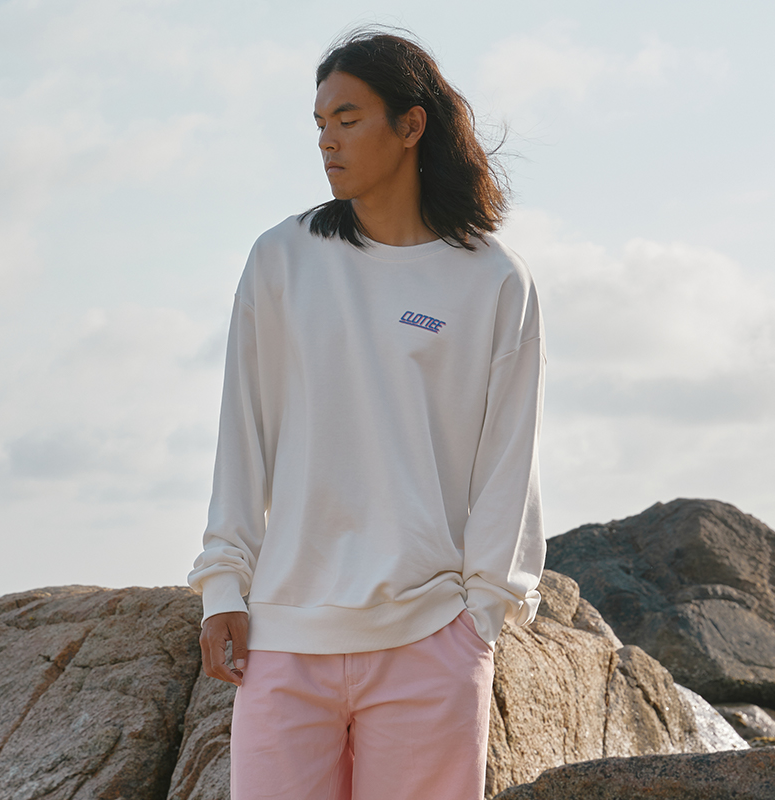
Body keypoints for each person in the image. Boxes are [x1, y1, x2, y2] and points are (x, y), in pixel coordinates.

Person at [188, 28, 546, 800]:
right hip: (285, 637)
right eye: (320, 124)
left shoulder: (493, 280)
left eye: (348, 120)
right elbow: (242, 434)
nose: (328, 141)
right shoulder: (282, 260)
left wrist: (480, 618)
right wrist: (223, 585)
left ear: (411, 125)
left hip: (431, 641)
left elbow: (509, 464)